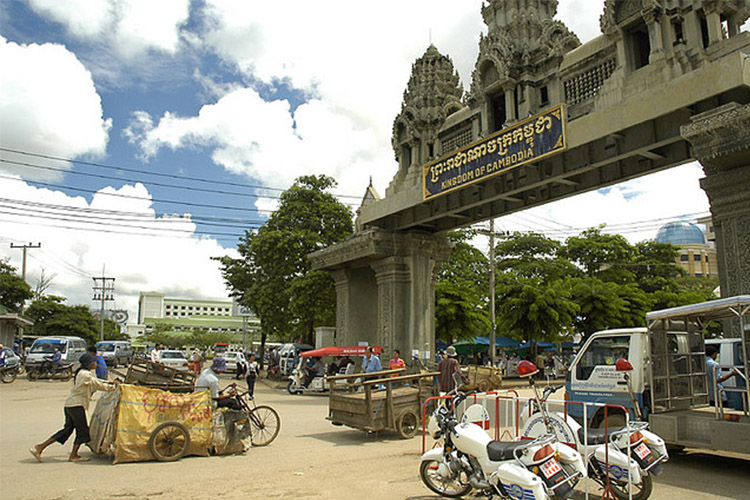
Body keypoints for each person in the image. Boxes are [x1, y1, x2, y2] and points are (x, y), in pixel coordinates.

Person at [29, 353, 118, 463]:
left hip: (70, 405)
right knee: (82, 431)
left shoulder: (83, 373)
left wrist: (109, 382)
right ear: (90, 364)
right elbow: (97, 384)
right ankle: (73, 455)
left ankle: (40, 447)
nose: (96, 363)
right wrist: (113, 386)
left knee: (67, 430)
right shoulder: (85, 375)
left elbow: (96, 381)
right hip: (76, 406)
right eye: (94, 362)